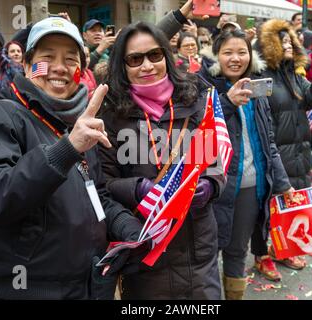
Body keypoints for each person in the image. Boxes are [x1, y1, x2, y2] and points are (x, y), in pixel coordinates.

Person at [0, 17, 146, 300]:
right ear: (26, 65)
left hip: (85, 289)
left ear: (81, 71)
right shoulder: (0, 114)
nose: (60, 68)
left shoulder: (78, 122)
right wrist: (67, 149)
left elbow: (95, 194)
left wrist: (128, 227)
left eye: (71, 59)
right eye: (46, 58)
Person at [98, 21, 226, 299]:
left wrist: (211, 185)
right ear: (123, 65)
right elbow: (103, 184)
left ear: (166, 57)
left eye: (154, 55)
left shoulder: (195, 100)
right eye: (135, 59)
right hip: (147, 252)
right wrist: (138, 189)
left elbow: (216, 159)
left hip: (199, 248)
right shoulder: (110, 117)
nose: (147, 66)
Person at [199, 29, 294, 299]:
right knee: (206, 253)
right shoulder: (200, 86)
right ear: (216, 55)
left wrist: (283, 183)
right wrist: (227, 103)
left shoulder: (256, 88)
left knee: (237, 250)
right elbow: (197, 132)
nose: (235, 58)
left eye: (242, 52)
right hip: (213, 188)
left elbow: (269, 142)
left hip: (251, 187)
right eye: (228, 52)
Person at [256, 19, 312, 268]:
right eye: (283, 41)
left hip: (298, 150)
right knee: (267, 206)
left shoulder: (292, 74)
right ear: (270, 45)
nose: (289, 44)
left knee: (291, 202)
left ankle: (282, 249)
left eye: (290, 40)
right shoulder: (261, 77)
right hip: (275, 151)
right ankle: (262, 255)